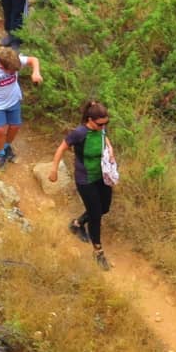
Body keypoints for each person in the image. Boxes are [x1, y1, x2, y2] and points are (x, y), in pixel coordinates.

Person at [48, 100, 116, 269]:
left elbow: (104, 138)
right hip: (85, 180)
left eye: (106, 123)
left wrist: (111, 151)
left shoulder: (101, 129)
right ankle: (98, 252)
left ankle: (77, 224)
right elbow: (61, 149)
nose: (104, 126)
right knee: (95, 215)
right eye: (101, 124)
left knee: (104, 208)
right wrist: (54, 169)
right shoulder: (79, 133)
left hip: (102, 175)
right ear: (90, 120)